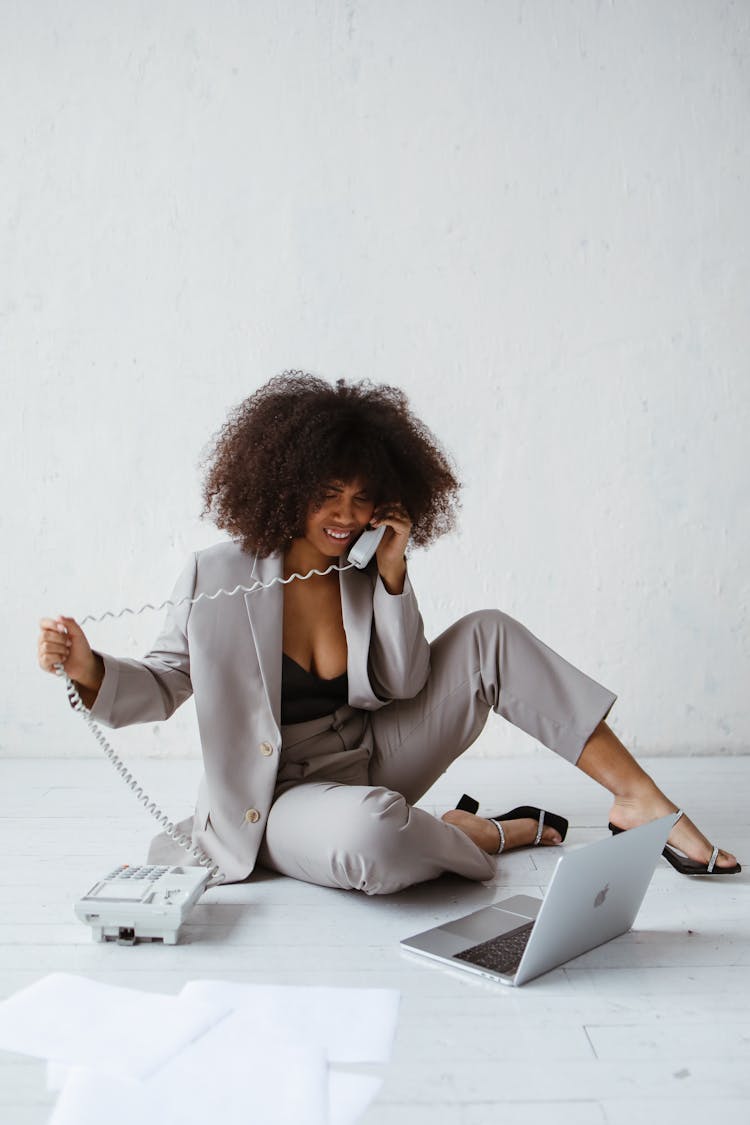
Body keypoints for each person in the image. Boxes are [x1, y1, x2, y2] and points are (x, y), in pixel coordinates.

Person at [37, 372, 740, 891]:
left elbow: (406, 682)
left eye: (361, 496)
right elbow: (163, 685)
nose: (344, 514)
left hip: (376, 753)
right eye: (327, 493)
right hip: (282, 796)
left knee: (488, 634)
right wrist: (87, 664)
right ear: (286, 485)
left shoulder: (365, 569)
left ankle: (641, 801)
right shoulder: (217, 575)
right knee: (373, 836)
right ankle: (476, 833)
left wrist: (394, 571)